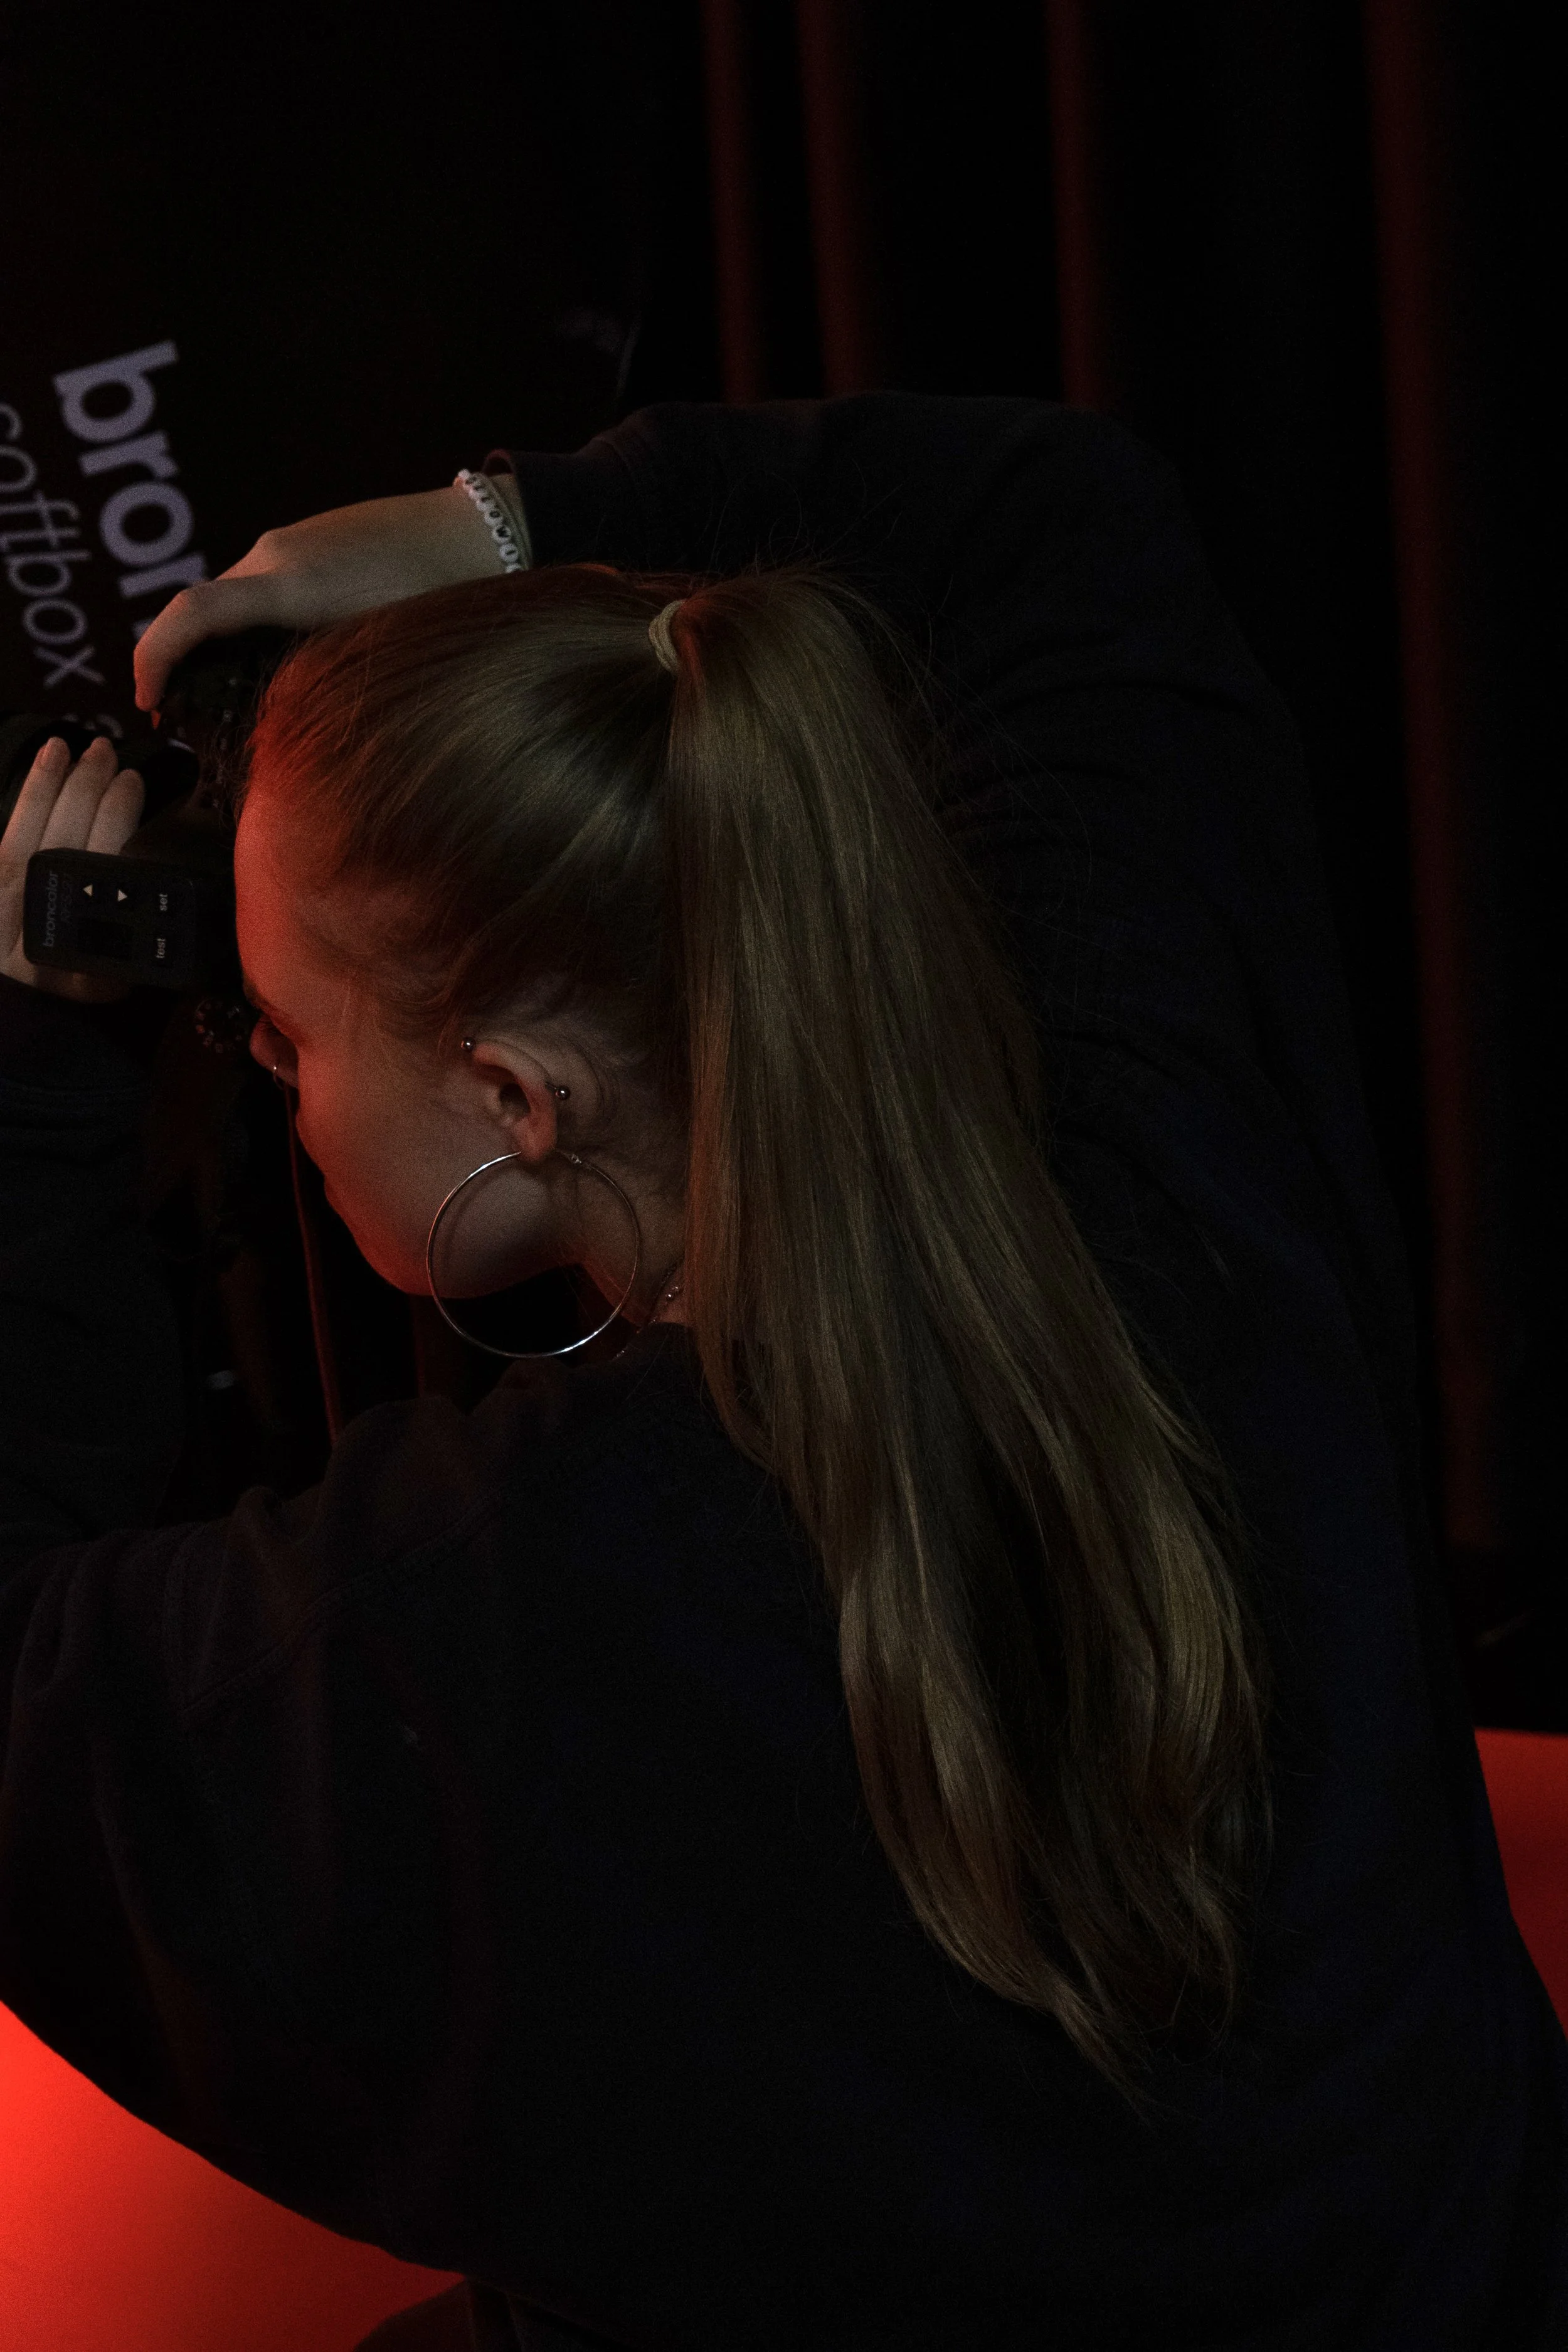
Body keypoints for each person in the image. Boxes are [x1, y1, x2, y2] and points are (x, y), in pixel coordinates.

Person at [1, 393, 1564, 2350]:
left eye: (295, 1035)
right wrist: (497, 531)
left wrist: (44, 1100)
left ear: (514, 1098)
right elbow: (1052, 516)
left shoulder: (473, 1631)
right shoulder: (1153, 1132)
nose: (259, 1070)